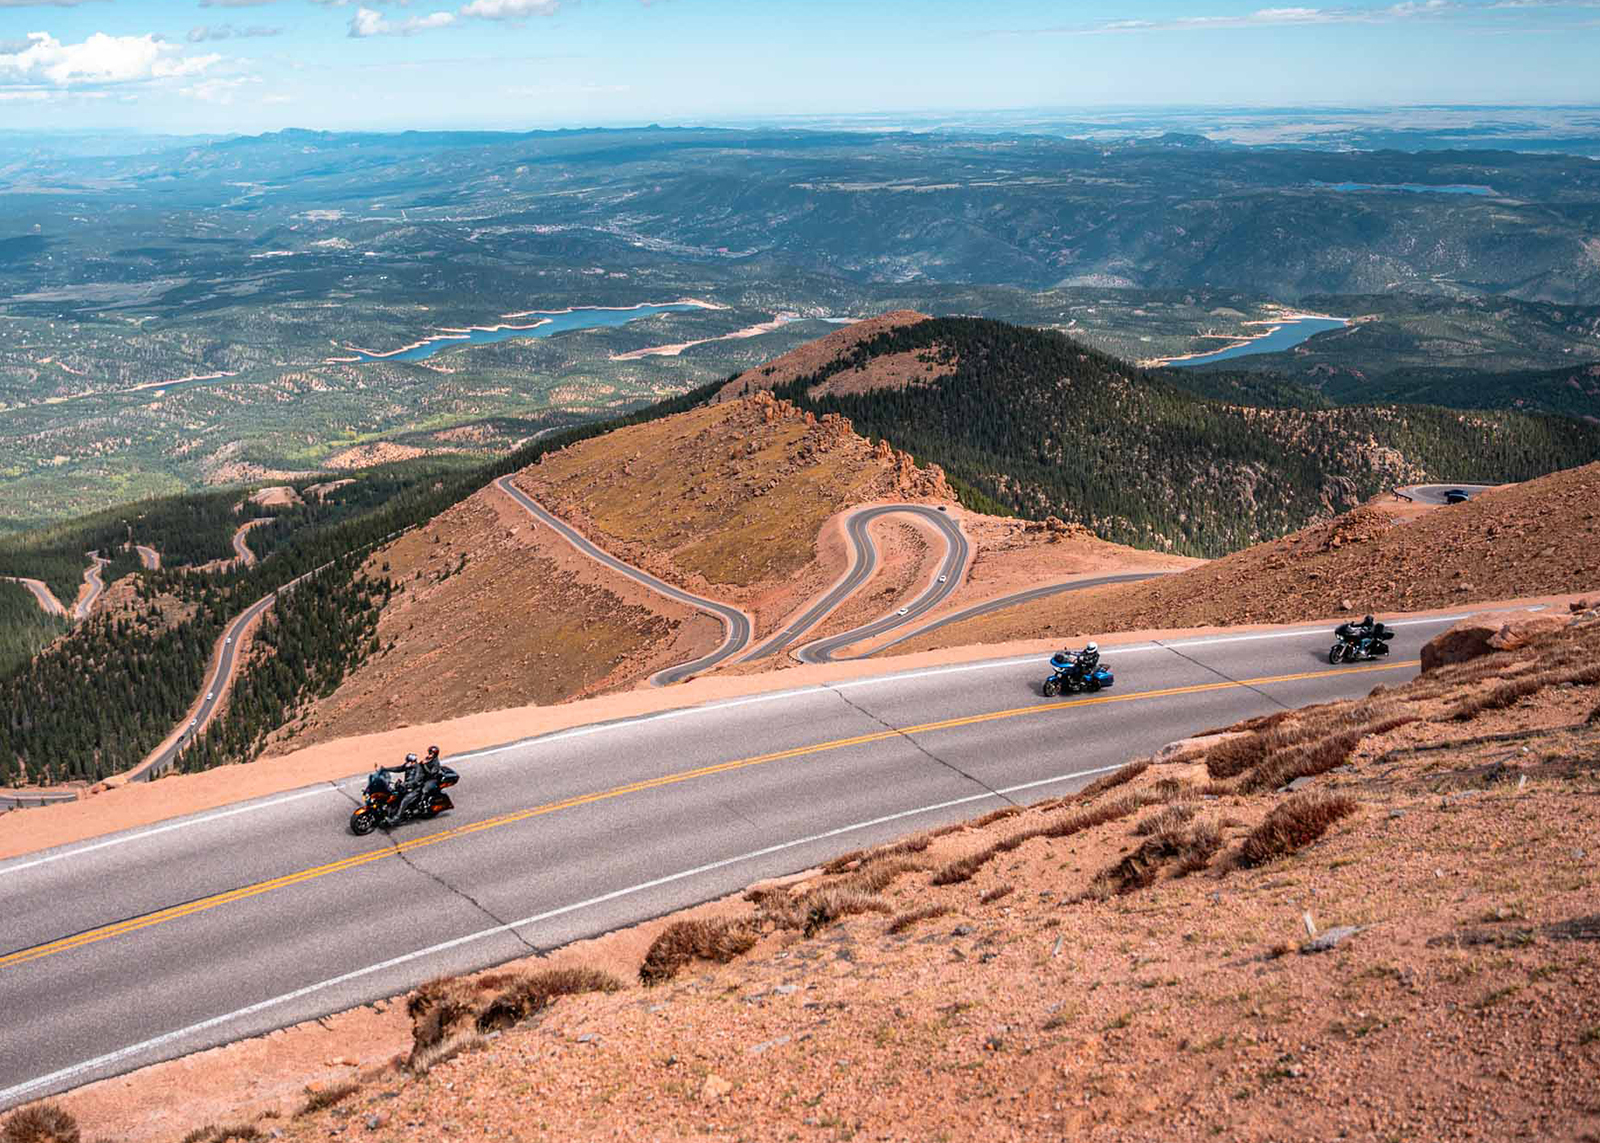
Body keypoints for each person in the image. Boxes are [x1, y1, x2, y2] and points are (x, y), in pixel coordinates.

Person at [381, 752, 423, 826]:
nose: (406, 763)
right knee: (393, 795)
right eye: (406, 761)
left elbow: (415, 781)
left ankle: (395, 819)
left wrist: (406, 784)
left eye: (408, 761)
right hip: (407, 787)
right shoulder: (408, 766)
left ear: (413, 762)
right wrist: (386, 769)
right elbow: (398, 768)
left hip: (415, 789)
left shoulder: (418, 769)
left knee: (404, 801)